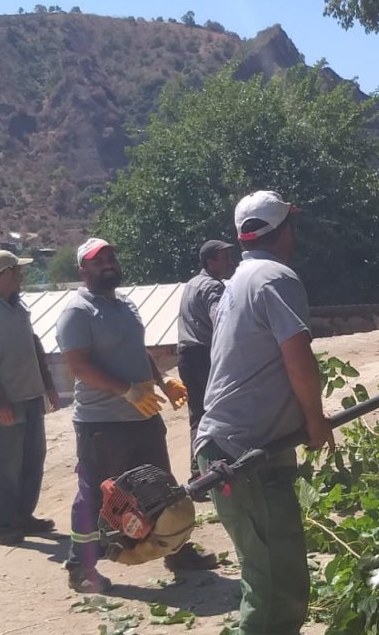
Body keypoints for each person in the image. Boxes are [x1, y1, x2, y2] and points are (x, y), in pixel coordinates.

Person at [195, 190, 335, 634]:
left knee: (276, 577)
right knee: (276, 586)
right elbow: (297, 355)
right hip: (242, 457)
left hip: (239, 449)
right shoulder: (275, 277)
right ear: (283, 231)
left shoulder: (238, 281)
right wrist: (316, 421)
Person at [56, 237, 215, 593]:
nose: (108, 264)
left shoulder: (125, 304)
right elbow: (79, 366)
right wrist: (125, 390)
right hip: (102, 422)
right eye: (99, 261)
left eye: (111, 257)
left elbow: (136, 352)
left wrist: (162, 382)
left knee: (162, 488)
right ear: (83, 271)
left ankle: (175, 549)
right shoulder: (77, 312)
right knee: (96, 495)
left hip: (142, 417)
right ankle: (80, 567)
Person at [0, 250, 62, 546]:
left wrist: (48, 385)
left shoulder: (17, 306)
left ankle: (22, 516)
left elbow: (34, 345)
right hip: (6, 400)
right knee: (5, 465)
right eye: (17, 272)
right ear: (5, 274)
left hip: (30, 396)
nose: (22, 276)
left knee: (32, 459)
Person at [177, 239, 236, 481]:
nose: (229, 262)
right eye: (224, 258)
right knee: (218, 413)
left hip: (186, 357)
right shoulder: (213, 288)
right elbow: (221, 321)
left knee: (198, 416)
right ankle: (215, 470)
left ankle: (198, 474)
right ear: (210, 262)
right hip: (205, 356)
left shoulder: (192, 284)